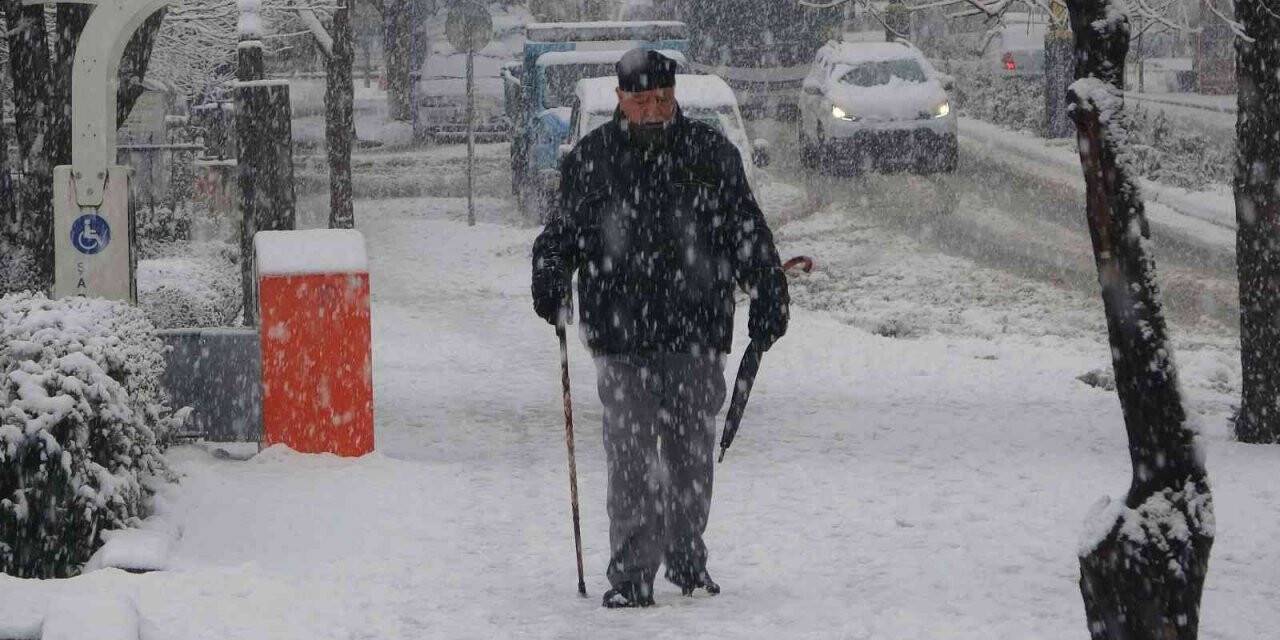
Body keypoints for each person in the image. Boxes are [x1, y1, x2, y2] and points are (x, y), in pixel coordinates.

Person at [530, 48, 789, 609]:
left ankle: (687, 556)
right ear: (620, 99)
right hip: (619, 333)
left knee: (690, 453)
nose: (653, 110)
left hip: (697, 328)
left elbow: (746, 230)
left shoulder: (711, 155)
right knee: (630, 455)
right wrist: (549, 272)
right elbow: (561, 234)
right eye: (642, 100)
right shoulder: (591, 159)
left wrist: (769, 286)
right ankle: (631, 574)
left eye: (663, 99)